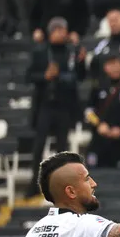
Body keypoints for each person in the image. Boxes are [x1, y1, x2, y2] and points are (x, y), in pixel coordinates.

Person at [27, 17, 87, 198]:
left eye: (63, 30)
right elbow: (29, 76)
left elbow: (80, 76)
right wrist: (45, 76)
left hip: (64, 106)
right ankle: (34, 183)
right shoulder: (41, 51)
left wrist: (81, 62)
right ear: (50, 32)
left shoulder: (72, 51)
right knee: (39, 145)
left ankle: (62, 185)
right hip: (45, 105)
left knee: (63, 147)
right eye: (57, 30)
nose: (61, 33)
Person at [85, 55, 120, 170]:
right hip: (99, 136)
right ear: (105, 67)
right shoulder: (98, 85)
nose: (116, 68)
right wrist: (99, 124)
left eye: (118, 64)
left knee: (119, 169)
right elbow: (88, 110)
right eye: (112, 64)